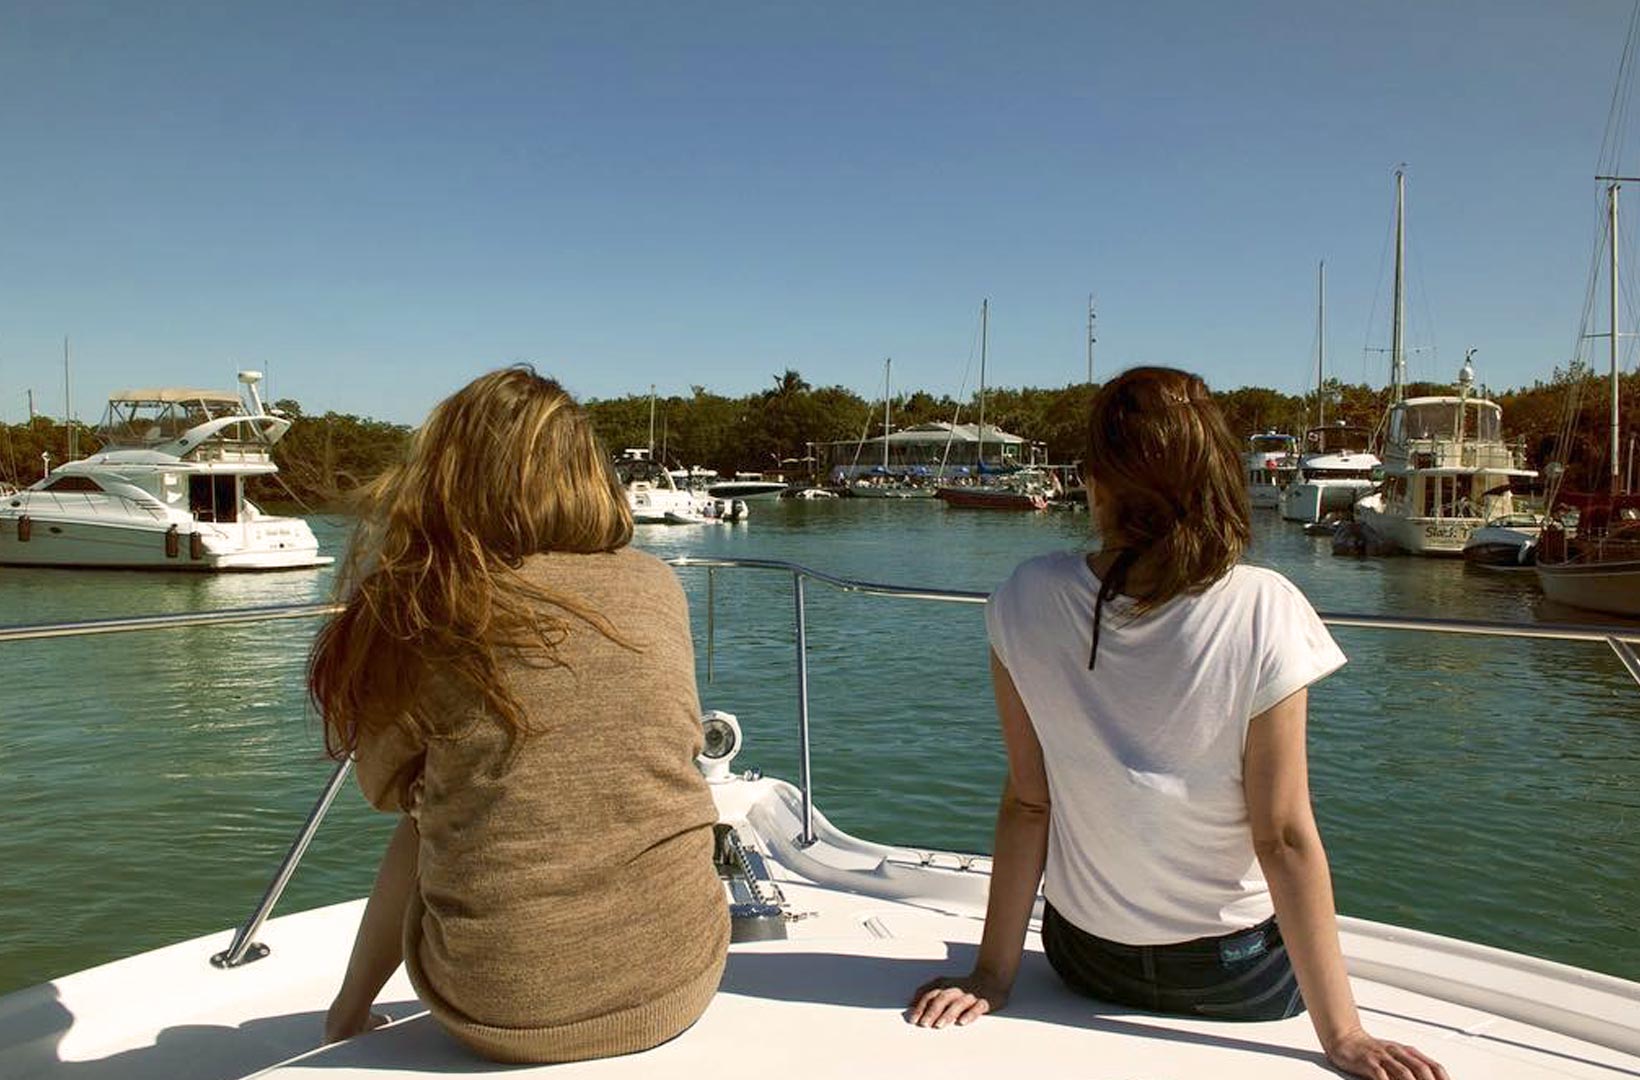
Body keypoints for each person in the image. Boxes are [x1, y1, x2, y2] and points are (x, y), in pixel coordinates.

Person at [908, 367, 1447, 1080]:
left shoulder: (1024, 597)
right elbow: (1281, 836)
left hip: (1086, 961)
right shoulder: (1264, 607)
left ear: (1098, 481)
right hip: (1232, 980)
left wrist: (991, 976)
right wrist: (1342, 1036)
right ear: (1216, 475)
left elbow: (1029, 801)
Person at [311, 365, 728, 1063]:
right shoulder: (656, 583)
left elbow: (384, 791)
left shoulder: (427, 607)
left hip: (497, 1008)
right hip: (681, 978)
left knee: (425, 814)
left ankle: (348, 1014)